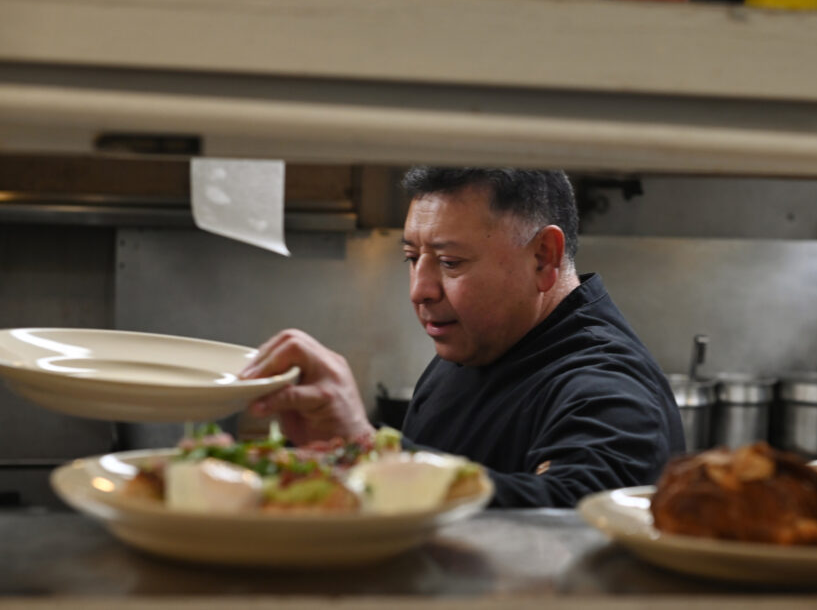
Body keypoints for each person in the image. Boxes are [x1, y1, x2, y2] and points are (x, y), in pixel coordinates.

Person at [241, 167, 685, 507]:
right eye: (412, 258)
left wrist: (367, 448)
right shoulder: (481, 343)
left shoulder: (608, 389)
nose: (420, 290)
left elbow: (568, 523)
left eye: (450, 262)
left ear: (543, 257)